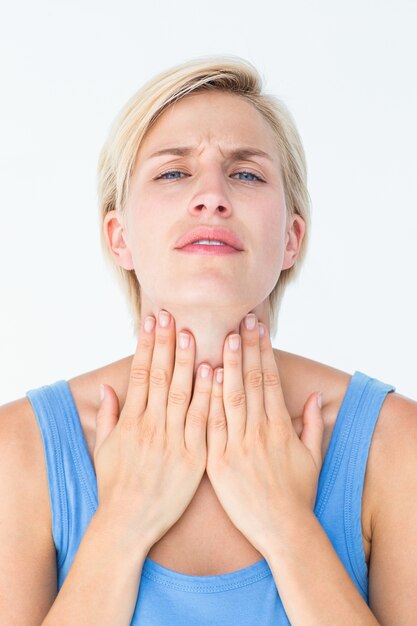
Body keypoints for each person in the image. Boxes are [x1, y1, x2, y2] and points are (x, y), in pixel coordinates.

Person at [1, 55, 416, 626]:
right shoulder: (18, 451)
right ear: (119, 237)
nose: (212, 196)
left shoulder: (395, 445)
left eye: (245, 174)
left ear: (292, 238)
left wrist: (285, 522)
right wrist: (123, 519)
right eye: (173, 173)